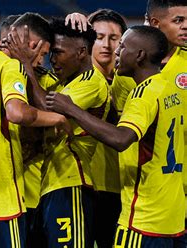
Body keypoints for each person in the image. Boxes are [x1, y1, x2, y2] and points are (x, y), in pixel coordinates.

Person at [46, 25, 185, 248]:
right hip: (174, 218)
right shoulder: (170, 89)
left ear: (139, 55)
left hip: (143, 218)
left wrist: (72, 110)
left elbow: (122, 139)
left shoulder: (143, 93)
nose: (116, 52)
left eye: (122, 46)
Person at [0, 13, 72, 248]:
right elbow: (17, 113)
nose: (40, 62)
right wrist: (57, 118)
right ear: (32, 45)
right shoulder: (12, 66)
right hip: (2, 197)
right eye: (43, 54)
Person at [7, 18, 109, 247]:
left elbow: (45, 106)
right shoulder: (63, 83)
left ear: (81, 52)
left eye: (58, 52)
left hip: (72, 183)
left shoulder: (92, 82)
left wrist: (25, 63)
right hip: (52, 184)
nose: (52, 60)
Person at [65, 9, 127, 248]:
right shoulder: (74, 78)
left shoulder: (133, 81)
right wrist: (73, 23)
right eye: (99, 37)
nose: (107, 44)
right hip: (83, 184)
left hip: (119, 186)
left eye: (114, 38)